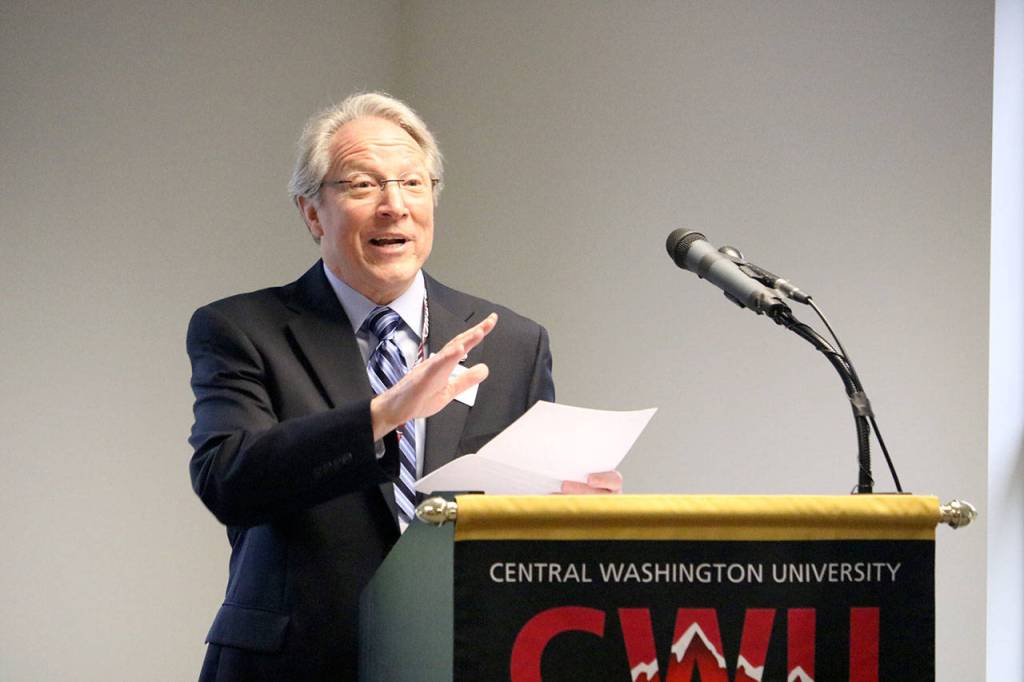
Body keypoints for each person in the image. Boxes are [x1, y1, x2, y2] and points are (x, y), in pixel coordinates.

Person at [186, 92, 622, 681]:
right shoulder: (243, 329)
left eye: (413, 184)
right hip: (296, 664)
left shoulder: (513, 341)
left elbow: (521, 530)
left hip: (462, 657)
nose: (394, 206)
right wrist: (382, 413)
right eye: (363, 185)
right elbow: (228, 480)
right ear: (312, 213)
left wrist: (570, 522)